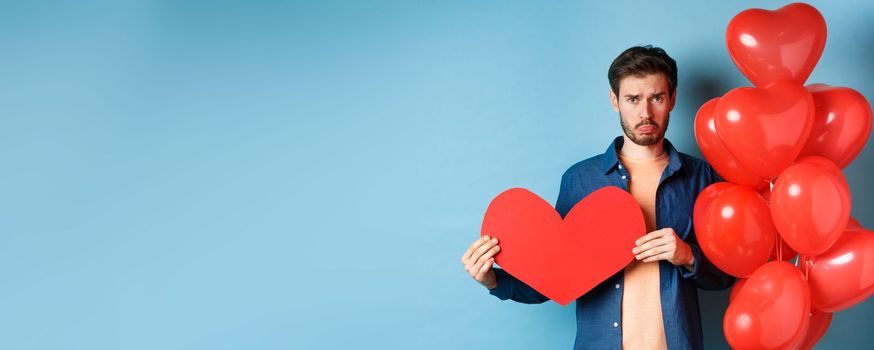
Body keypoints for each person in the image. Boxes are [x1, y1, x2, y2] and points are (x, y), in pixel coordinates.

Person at [460, 45, 734, 349]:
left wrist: (688, 255)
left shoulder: (700, 178)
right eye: (633, 99)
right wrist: (493, 280)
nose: (645, 112)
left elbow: (725, 276)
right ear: (614, 101)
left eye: (656, 98)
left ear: (672, 99)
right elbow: (552, 278)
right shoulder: (580, 180)